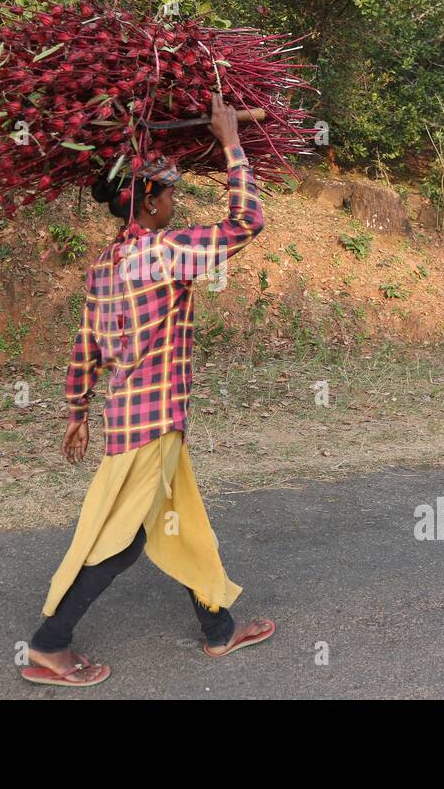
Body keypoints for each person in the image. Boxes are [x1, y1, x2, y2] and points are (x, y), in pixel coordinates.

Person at [20, 94, 276, 687]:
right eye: (168, 196)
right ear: (150, 202)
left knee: (181, 524)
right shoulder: (165, 253)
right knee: (124, 537)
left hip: (135, 417)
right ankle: (49, 645)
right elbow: (247, 224)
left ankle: (218, 629)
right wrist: (232, 143)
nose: (172, 205)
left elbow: (86, 343)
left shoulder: (108, 264)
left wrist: (76, 410)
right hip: (152, 423)